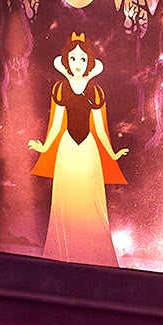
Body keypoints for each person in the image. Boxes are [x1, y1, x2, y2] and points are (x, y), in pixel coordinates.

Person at [28, 32, 128, 265]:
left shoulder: (95, 92)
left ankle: (95, 257)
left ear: (89, 62)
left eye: (82, 59)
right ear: (67, 61)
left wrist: (112, 154)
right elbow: (55, 125)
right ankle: (66, 256)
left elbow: (100, 129)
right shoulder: (60, 89)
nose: (77, 64)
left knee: (90, 202)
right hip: (66, 150)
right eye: (73, 58)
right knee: (67, 202)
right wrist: (43, 147)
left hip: (89, 152)